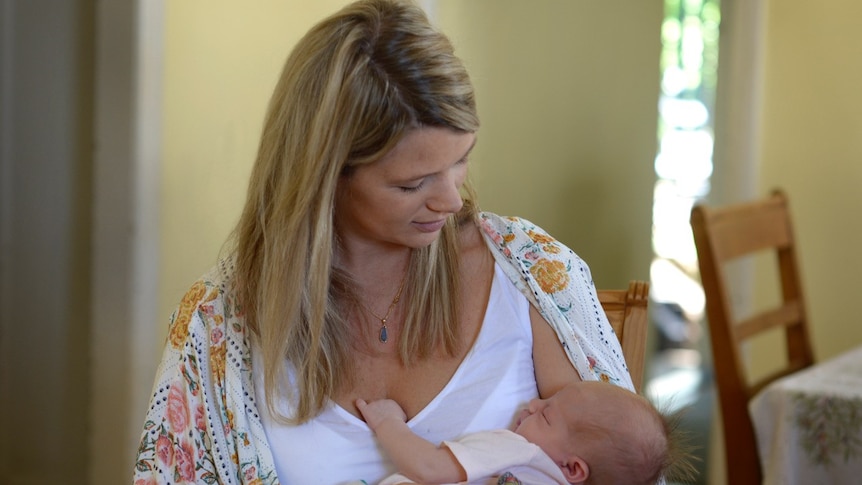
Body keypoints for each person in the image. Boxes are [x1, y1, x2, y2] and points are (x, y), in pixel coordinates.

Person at [132, 1, 638, 484]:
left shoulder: (533, 273)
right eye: (411, 184)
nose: (451, 200)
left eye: (460, 160)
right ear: (324, 178)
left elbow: (629, 472)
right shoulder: (221, 325)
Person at [358, 381, 689, 485]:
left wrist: (388, 423)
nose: (532, 403)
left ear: (573, 468)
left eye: (545, 415)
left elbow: (428, 468)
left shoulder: (520, 451)